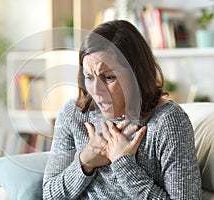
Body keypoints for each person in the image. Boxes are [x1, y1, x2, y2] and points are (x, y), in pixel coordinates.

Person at [43, 20, 201, 199]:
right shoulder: (74, 113)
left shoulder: (168, 121)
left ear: (137, 74)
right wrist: (85, 161)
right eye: (89, 77)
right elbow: (50, 195)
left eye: (109, 77)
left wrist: (123, 164)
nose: (96, 90)